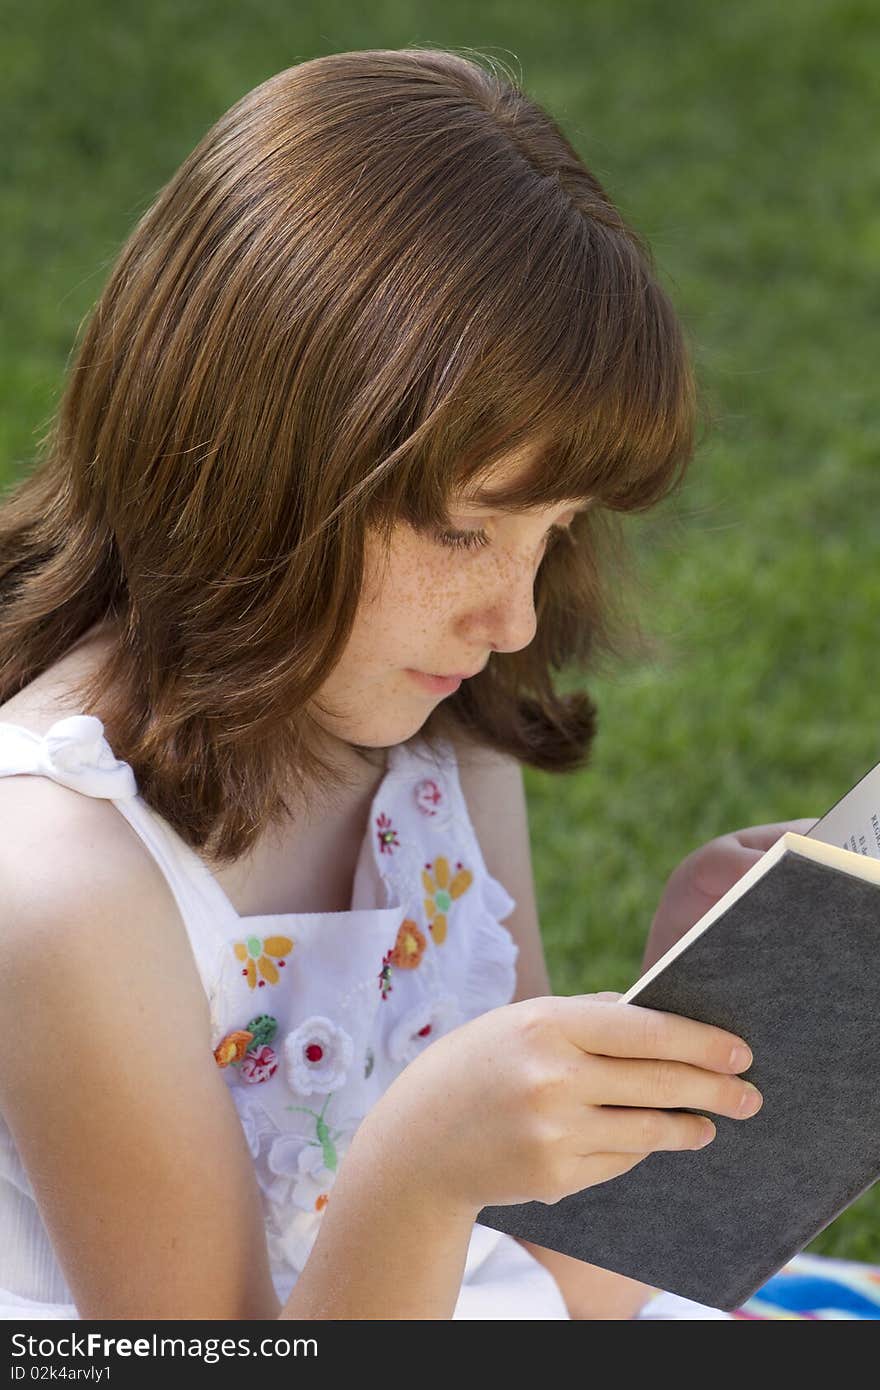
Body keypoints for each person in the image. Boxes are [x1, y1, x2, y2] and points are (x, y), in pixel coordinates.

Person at [0, 46, 787, 1321]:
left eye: (554, 531)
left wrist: (708, 999)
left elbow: (554, 1279)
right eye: (466, 530)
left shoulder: (434, 723)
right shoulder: (64, 874)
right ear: (257, 463)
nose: (514, 614)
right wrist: (420, 1171)